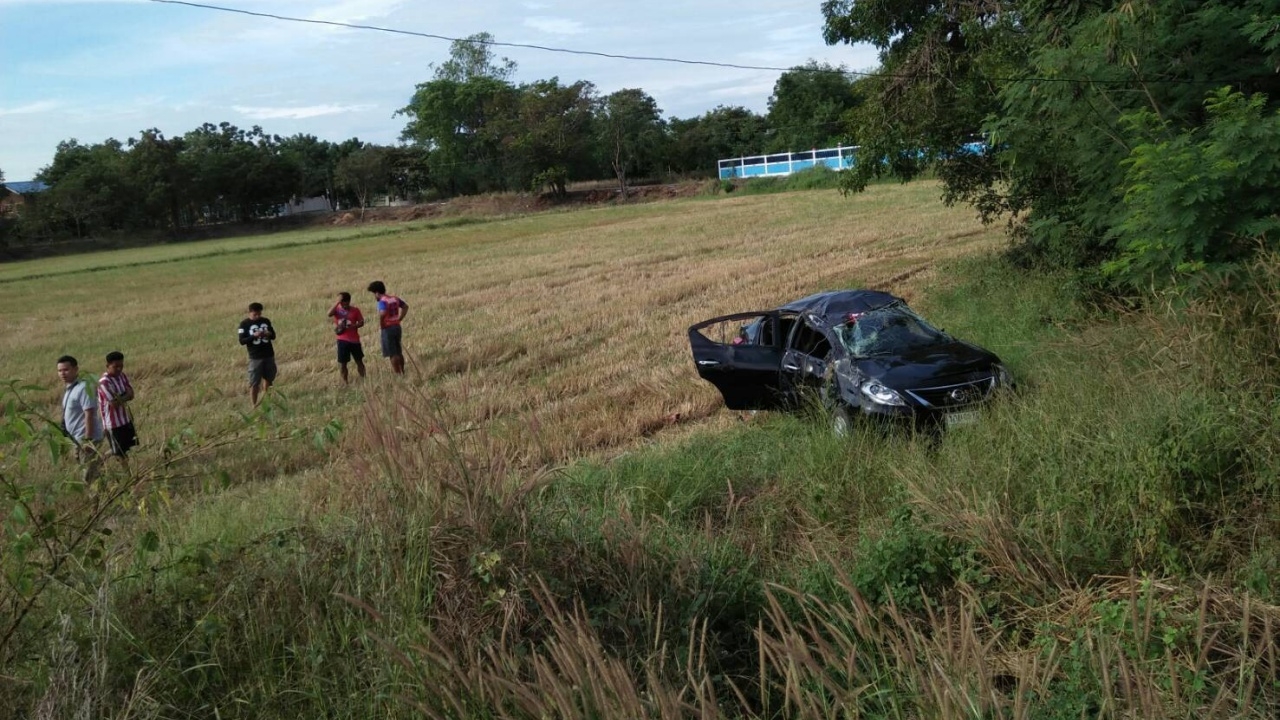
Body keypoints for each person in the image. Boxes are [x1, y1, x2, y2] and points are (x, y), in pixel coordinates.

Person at [57, 355, 103, 483]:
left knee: (89, 477)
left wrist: (87, 441)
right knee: (91, 473)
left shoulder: (83, 388)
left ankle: (96, 501)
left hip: (86, 439)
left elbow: (89, 413)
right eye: (60, 371)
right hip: (77, 439)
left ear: (76, 369)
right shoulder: (70, 389)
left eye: (66, 370)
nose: (62, 373)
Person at [97, 350, 138, 474]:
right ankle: (128, 476)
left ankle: (100, 460)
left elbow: (132, 394)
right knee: (121, 454)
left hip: (124, 419)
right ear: (107, 366)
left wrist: (121, 397)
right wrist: (125, 396)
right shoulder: (104, 382)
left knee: (126, 446)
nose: (119, 369)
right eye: (116, 367)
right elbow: (113, 403)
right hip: (112, 424)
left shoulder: (121, 376)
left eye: (121, 366)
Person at [237, 302, 277, 405]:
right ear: (249, 313)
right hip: (255, 357)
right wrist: (254, 336)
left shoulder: (266, 321)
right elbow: (242, 341)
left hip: (269, 354)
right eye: (255, 315)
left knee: (269, 378)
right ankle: (254, 404)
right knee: (254, 383)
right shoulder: (243, 325)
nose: (258, 317)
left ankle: (267, 400)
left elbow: (273, 336)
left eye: (259, 314)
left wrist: (269, 334)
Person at [367, 280, 409, 374]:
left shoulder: (382, 301)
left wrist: (382, 323)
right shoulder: (394, 298)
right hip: (397, 326)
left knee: (392, 353)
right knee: (398, 351)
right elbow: (405, 306)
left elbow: (383, 313)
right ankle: (402, 371)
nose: (374, 296)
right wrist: (400, 318)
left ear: (377, 292)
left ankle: (398, 374)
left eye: (374, 294)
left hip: (388, 328)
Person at [327, 291, 366, 384]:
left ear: (348, 301)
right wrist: (337, 302)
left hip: (354, 340)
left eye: (344, 302)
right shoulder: (337, 309)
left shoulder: (355, 310)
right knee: (343, 364)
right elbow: (329, 314)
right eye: (341, 302)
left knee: (359, 361)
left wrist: (353, 326)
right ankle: (345, 382)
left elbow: (361, 322)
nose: (343, 305)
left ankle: (364, 380)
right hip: (342, 340)